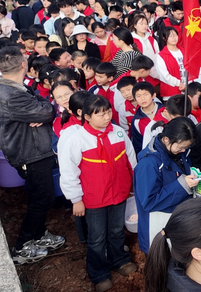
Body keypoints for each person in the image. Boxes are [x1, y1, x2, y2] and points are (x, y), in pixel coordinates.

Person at [0, 45, 66, 264]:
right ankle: (22, 245)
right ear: (23, 64)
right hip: (29, 152)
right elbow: (48, 110)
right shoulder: (11, 94)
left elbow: (42, 108)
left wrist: (40, 109)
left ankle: (38, 234)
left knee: (40, 196)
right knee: (42, 198)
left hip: (34, 149)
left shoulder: (13, 87)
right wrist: (43, 109)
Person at [59, 95, 138, 291]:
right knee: (96, 237)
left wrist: (134, 185)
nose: (106, 117)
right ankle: (99, 273)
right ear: (86, 116)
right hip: (94, 198)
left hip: (118, 194)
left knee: (117, 230)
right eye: (100, 114)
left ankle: (119, 260)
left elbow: (131, 159)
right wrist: (76, 199)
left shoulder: (118, 133)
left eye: (108, 112)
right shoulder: (77, 140)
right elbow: (69, 171)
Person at [134, 117, 199, 253]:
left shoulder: (179, 153)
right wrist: (182, 185)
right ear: (166, 139)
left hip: (177, 222)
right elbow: (149, 201)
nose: (183, 150)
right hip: (157, 228)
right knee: (161, 267)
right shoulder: (149, 164)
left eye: (186, 147)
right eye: (181, 147)